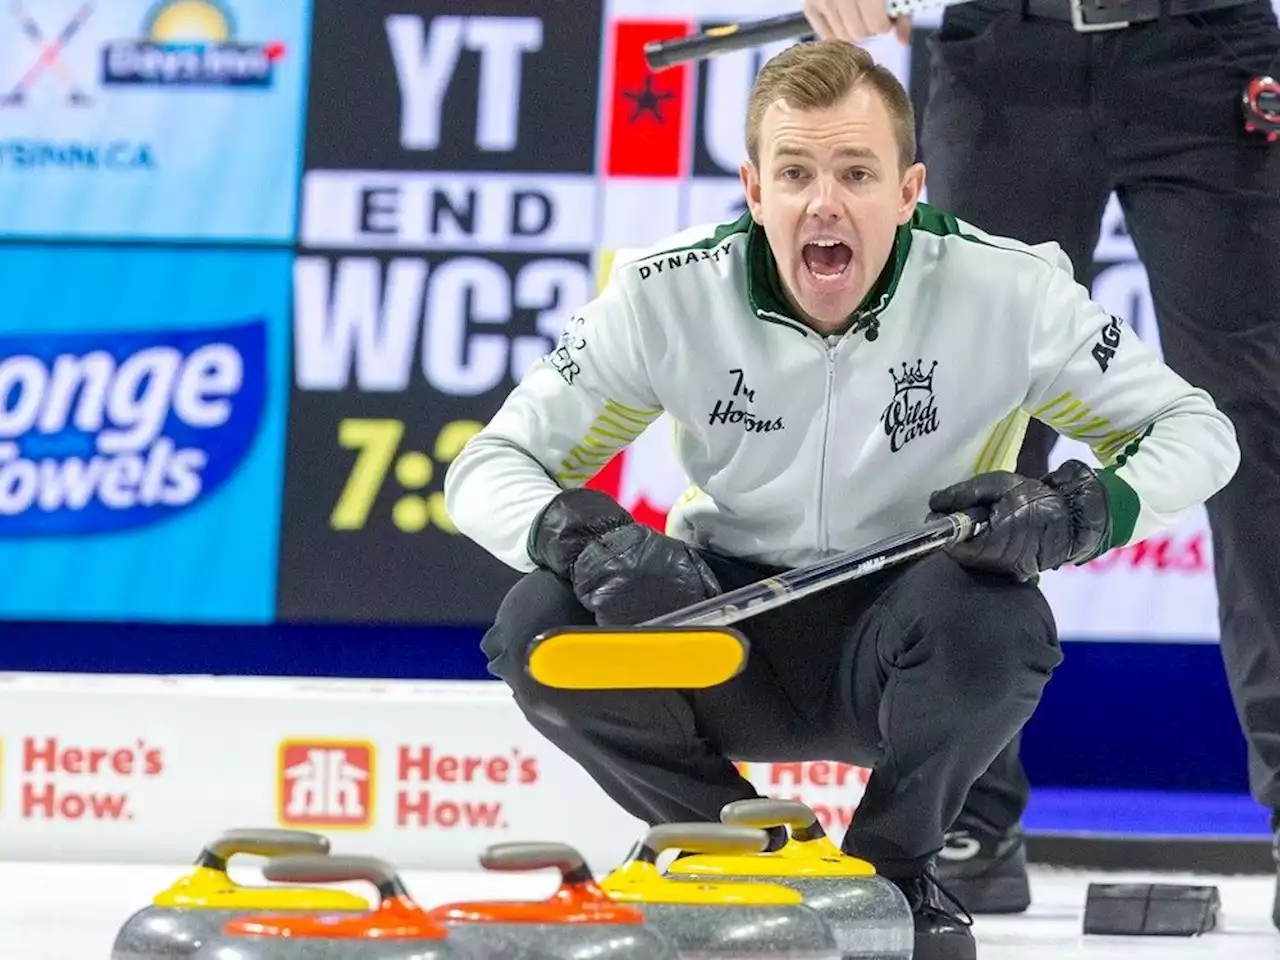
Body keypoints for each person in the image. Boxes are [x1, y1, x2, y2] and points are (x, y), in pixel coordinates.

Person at [444, 40, 1239, 960]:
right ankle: (741, 848)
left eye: (857, 172)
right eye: (796, 173)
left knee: (998, 623)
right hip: (722, 632)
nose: (825, 203)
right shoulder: (663, 293)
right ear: (753, 191)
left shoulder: (1009, 289)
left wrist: (1077, 512)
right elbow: (487, 466)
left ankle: (891, 872)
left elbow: (1197, 432)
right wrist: (575, 540)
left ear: (907, 192)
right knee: (540, 624)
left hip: (904, 630)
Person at [803, 0, 1280, 919]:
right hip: (1002, 52)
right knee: (962, 425)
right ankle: (963, 819)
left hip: (1208, 46)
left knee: (1258, 437)